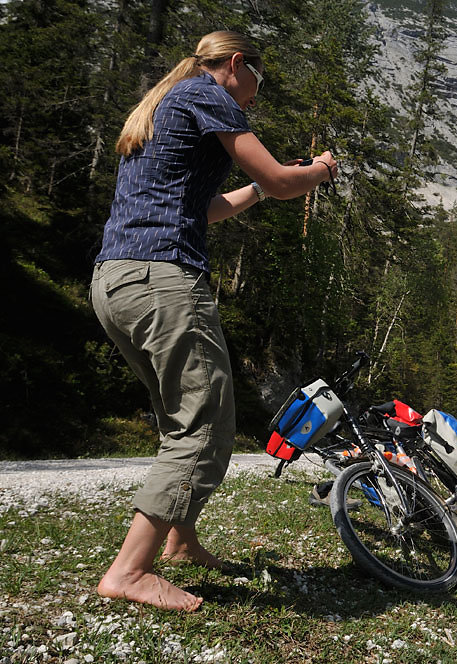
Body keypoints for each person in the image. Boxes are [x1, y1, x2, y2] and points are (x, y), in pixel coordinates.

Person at [91, 31, 336, 612]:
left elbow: (207, 209)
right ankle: (129, 570)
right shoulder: (209, 94)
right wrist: (319, 173)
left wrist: (254, 186)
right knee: (204, 425)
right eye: (258, 80)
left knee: (180, 416)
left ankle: (180, 539)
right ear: (235, 64)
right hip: (163, 280)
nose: (255, 96)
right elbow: (281, 181)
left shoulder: (169, 103)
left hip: (116, 282)